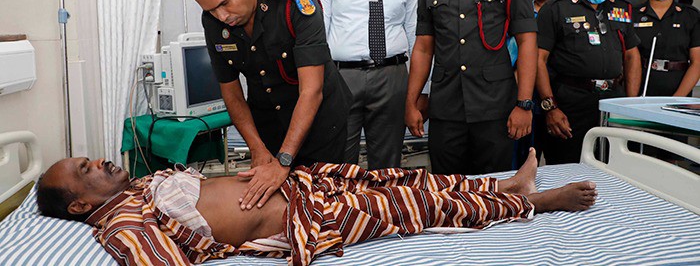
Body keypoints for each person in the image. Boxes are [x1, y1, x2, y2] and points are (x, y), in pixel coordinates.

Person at [36, 151, 597, 265]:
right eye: (87, 170)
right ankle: (534, 203)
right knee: (414, 204)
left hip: (303, 184)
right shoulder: (122, 224)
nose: (100, 161)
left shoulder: (137, 188)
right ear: (82, 205)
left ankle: (505, 185)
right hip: (305, 220)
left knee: (400, 175)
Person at [183, 0, 353, 210]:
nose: (222, 17)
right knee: (277, 207)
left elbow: (311, 91)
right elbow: (231, 91)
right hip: (270, 125)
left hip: (320, 125)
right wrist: (257, 149)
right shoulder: (213, 21)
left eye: (224, 4)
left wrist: (284, 161)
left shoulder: (295, 1)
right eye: (211, 10)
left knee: (325, 204)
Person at [405, 0, 538, 175]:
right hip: (446, 108)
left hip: (494, 106)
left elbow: (527, 41)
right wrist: (411, 101)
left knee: (494, 184)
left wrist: (524, 104)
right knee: (446, 187)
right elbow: (423, 49)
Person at [315, 0, 424, 169]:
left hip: (391, 77)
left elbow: (415, 36)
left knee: (387, 164)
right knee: (339, 161)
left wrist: (420, 92)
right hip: (342, 77)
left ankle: (382, 198)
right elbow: (319, 33)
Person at [536, 0, 642, 164]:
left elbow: (632, 56)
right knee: (568, 167)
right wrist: (550, 108)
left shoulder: (621, 8)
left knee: (612, 166)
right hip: (570, 102)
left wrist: (630, 105)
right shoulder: (556, 8)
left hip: (613, 101)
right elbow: (538, 60)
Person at [513, 0, 568, 166]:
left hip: (559, 91)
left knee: (559, 158)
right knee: (524, 157)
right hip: (526, 94)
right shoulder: (523, 10)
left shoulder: (566, 10)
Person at [633, 0, 700, 97]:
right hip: (640, 90)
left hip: (677, 90)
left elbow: (697, 63)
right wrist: (631, 98)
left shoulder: (690, 16)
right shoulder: (634, 14)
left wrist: (676, 99)